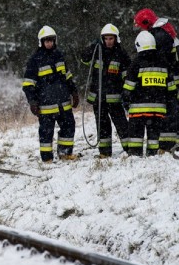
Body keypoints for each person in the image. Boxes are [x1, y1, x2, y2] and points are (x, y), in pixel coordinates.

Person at [22, 25, 80, 162]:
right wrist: (33, 102)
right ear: (41, 42)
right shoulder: (35, 60)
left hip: (63, 103)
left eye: (51, 40)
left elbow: (68, 76)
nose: (49, 43)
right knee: (46, 133)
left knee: (69, 126)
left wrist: (74, 92)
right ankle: (47, 158)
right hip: (45, 105)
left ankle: (65, 153)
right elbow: (28, 84)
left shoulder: (60, 56)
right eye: (46, 41)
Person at [134, 9, 179, 152]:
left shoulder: (159, 36)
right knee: (173, 110)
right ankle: (173, 143)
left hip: (169, 78)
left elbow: (160, 59)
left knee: (169, 111)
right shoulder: (164, 31)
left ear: (146, 22)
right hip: (174, 76)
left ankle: (168, 145)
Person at [79, 24, 130, 158]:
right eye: (106, 39)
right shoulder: (97, 51)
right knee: (102, 125)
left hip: (115, 98)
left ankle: (130, 149)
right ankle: (105, 152)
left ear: (116, 38)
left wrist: (127, 92)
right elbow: (84, 58)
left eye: (111, 39)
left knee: (121, 124)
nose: (108, 41)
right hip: (98, 98)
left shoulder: (121, 54)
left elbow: (127, 74)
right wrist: (92, 46)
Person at [122, 31, 169, 156]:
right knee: (154, 136)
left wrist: (126, 101)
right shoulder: (163, 62)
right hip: (157, 110)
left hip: (138, 110)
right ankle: (152, 154)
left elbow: (129, 86)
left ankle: (135, 154)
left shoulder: (136, 63)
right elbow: (170, 87)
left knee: (136, 136)